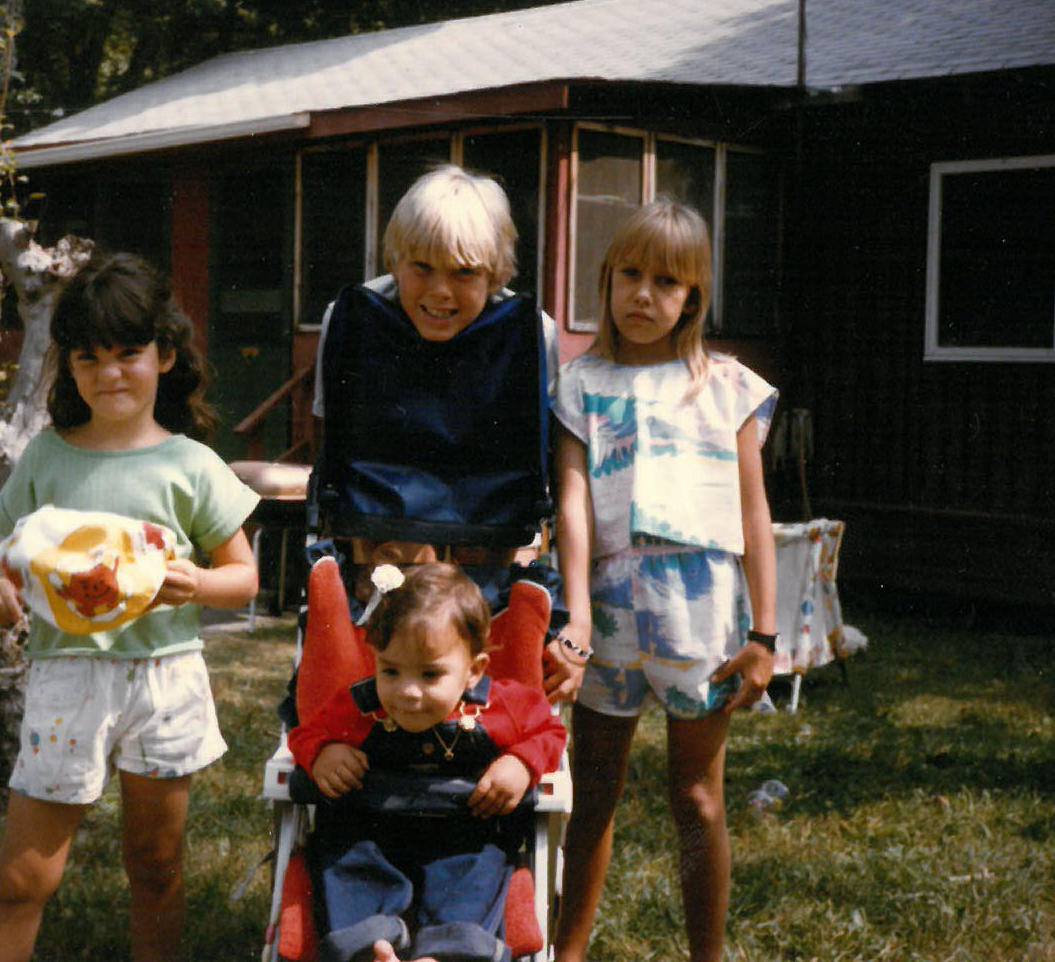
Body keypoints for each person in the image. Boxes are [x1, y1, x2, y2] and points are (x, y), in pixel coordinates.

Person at [0, 251, 260, 962]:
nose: (109, 373)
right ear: (67, 365)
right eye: (88, 357)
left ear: (164, 355)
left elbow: (243, 578)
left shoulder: (190, 464)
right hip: (67, 683)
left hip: (163, 681)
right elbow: (3, 560)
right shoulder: (46, 458)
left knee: (155, 869)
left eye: (128, 353)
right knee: (21, 878)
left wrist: (193, 582)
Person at [550, 199, 779, 962]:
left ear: (693, 298)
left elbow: (754, 514)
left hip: (702, 616)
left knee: (698, 797)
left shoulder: (727, 387)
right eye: (629, 275)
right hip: (611, 615)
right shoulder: (580, 384)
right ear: (607, 280)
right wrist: (577, 615)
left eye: (666, 282)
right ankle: (568, 951)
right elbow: (574, 504)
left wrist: (764, 636)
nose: (644, 295)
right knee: (593, 796)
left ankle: (706, 956)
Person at [309, 163, 581, 704]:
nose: (439, 291)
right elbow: (332, 457)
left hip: (491, 559)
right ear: (395, 259)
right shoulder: (352, 319)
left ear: (496, 273)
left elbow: (537, 471)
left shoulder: (531, 334)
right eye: (422, 267)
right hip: (379, 557)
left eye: (463, 273)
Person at [288, 563, 567, 962]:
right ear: (375, 658)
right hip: (371, 829)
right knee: (345, 858)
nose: (408, 692)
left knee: (479, 868)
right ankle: (369, 947)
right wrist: (322, 753)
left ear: (474, 671)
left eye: (430, 674)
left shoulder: (502, 706)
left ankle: (444, 954)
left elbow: (551, 732)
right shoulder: (359, 707)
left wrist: (521, 763)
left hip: (464, 832)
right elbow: (304, 733)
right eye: (390, 670)